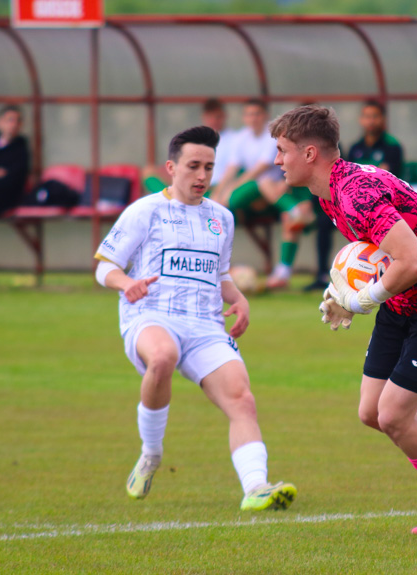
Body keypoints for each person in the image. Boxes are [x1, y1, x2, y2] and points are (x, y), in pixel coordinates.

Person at [270, 105, 417, 535]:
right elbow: (385, 257)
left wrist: (361, 300)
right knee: (372, 411)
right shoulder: (330, 191)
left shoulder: (356, 194)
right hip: (407, 298)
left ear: (310, 153)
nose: (277, 160)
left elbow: (416, 262)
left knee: (393, 416)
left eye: (282, 150)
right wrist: (343, 292)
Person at [94, 125, 297, 511]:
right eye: (193, 166)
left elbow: (219, 274)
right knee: (163, 356)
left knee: (242, 399)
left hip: (205, 325)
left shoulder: (222, 217)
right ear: (171, 167)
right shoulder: (145, 210)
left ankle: (256, 487)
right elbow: (104, 266)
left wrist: (238, 298)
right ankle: (151, 453)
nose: (202, 176)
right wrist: (127, 283)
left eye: (209, 167)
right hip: (152, 315)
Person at [304, 100, 405, 292]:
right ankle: (322, 274)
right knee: (324, 223)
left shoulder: (392, 147)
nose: (371, 121)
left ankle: (386, 275)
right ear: (361, 120)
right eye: (367, 116)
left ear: (383, 119)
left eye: (375, 116)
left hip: (383, 207)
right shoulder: (356, 147)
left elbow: (391, 178)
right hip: (354, 206)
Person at [213, 99, 314, 289]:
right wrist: (221, 190)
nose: (253, 118)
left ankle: (282, 273)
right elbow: (233, 167)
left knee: (287, 217)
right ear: (244, 117)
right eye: (249, 114)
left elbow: (262, 167)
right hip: (261, 195)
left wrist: (235, 185)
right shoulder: (241, 138)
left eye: (257, 114)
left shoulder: (274, 136)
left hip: (273, 193)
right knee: (235, 197)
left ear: (265, 116)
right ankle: (217, 266)